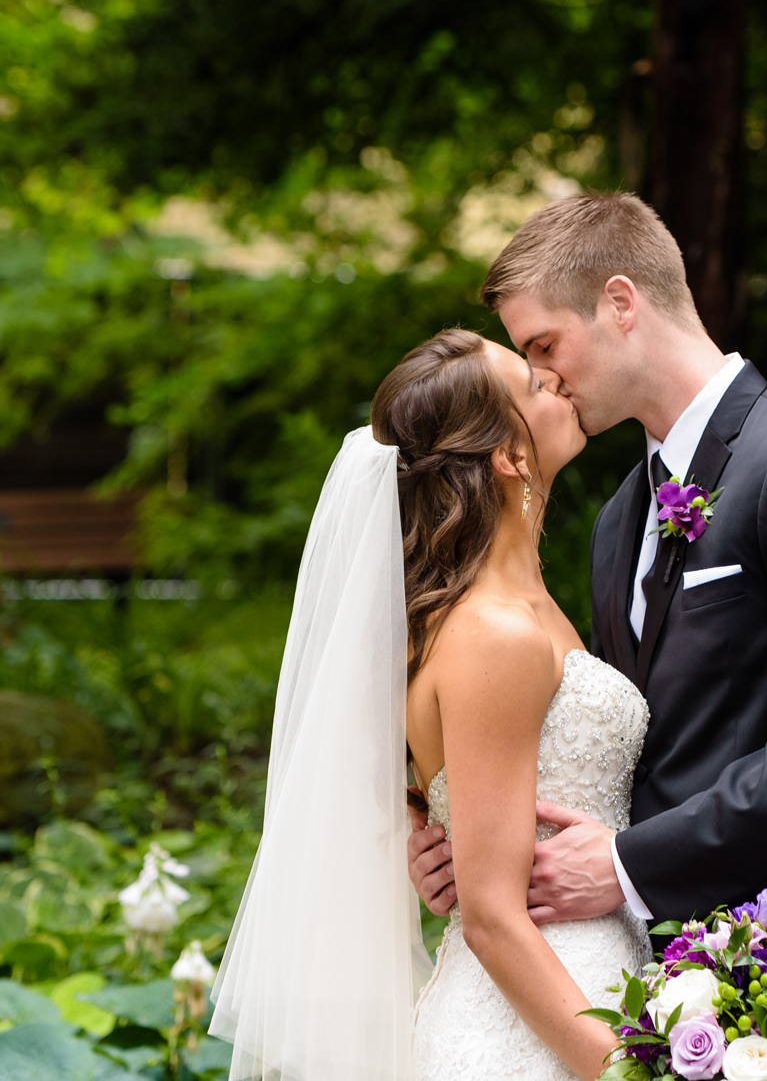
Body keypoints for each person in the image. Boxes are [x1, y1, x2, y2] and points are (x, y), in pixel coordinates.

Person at [407, 193, 767, 1067]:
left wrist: (625, 864)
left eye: (545, 346)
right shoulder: (616, 520)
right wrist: (454, 841)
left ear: (622, 302)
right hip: (671, 989)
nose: (542, 378)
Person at [212, 329, 650, 1081]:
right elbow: (488, 915)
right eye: (533, 383)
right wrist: (622, 1069)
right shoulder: (495, 632)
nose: (557, 378)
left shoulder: (515, 606)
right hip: (542, 1032)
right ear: (507, 455)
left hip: (589, 983)